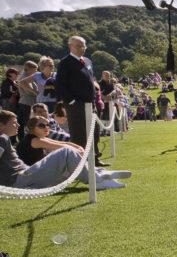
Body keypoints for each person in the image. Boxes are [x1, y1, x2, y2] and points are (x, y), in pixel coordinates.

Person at [0, 110, 128, 190]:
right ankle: (98, 179)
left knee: (67, 156)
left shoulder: (5, 139)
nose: (17, 125)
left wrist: (75, 147)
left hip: (27, 175)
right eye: (13, 123)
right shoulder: (3, 139)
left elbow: (57, 143)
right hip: (20, 180)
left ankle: (100, 176)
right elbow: (60, 146)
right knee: (66, 153)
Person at [55, 36, 106, 166]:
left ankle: (94, 159)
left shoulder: (87, 61)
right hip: (76, 104)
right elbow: (61, 84)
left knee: (93, 131)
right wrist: (71, 101)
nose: (82, 48)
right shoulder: (65, 62)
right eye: (79, 46)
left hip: (91, 103)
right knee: (79, 133)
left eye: (84, 46)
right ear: (70, 46)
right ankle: (79, 163)